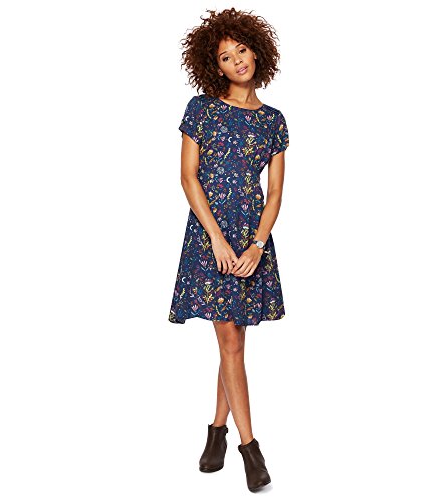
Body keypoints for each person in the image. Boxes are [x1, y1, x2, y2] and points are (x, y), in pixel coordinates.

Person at [168, 8, 289, 492]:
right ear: (213, 65)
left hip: (251, 239)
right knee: (231, 342)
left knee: (233, 340)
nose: (237, 60)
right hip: (209, 236)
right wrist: (217, 238)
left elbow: (274, 193)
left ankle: (216, 431)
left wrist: (257, 244)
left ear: (257, 51)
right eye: (225, 56)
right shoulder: (201, 109)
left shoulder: (273, 121)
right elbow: (188, 177)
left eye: (242, 49)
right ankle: (250, 449)